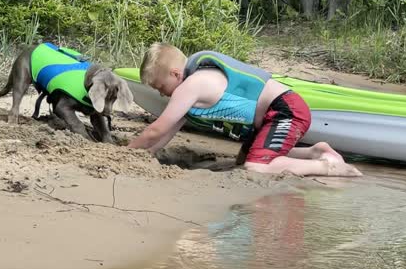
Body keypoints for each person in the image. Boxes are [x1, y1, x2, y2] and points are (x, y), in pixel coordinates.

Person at [126, 43, 362, 177]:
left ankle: (328, 167)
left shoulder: (191, 85)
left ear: (176, 74)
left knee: (255, 167)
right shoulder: (190, 85)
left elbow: (157, 129)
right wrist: (145, 154)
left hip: (284, 111)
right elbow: (167, 134)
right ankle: (315, 151)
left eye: (160, 87)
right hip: (271, 118)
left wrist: (125, 153)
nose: (161, 93)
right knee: (245, 159)